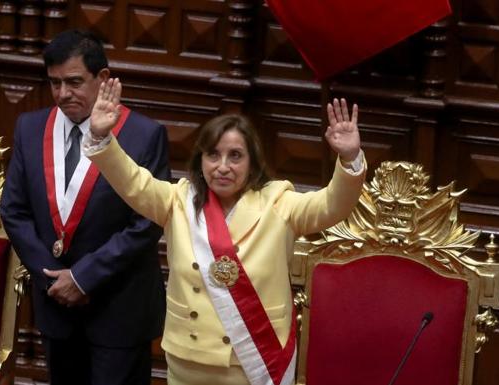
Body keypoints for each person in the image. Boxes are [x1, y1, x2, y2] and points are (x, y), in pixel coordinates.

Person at [82, 78, 366, 385]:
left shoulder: (279, 202)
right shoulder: (178, 200)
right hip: (188, 358)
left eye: (235, 156)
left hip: (252, 361)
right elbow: (133, 182)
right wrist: (101, 136)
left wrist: (349, 157)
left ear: (252, 162)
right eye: (213, 155)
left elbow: (332, 205)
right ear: (200, 160)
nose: (222, 166)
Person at [0, 30, 169, 385]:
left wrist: (82, 277)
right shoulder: (29, 128)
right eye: (55, 83)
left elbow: (147, 222)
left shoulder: (143, 135)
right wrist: (54, 280)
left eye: (74, 82)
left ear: (102, 78)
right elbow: (14, 211)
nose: (63, 94)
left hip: (118, 308)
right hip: (56, 306)